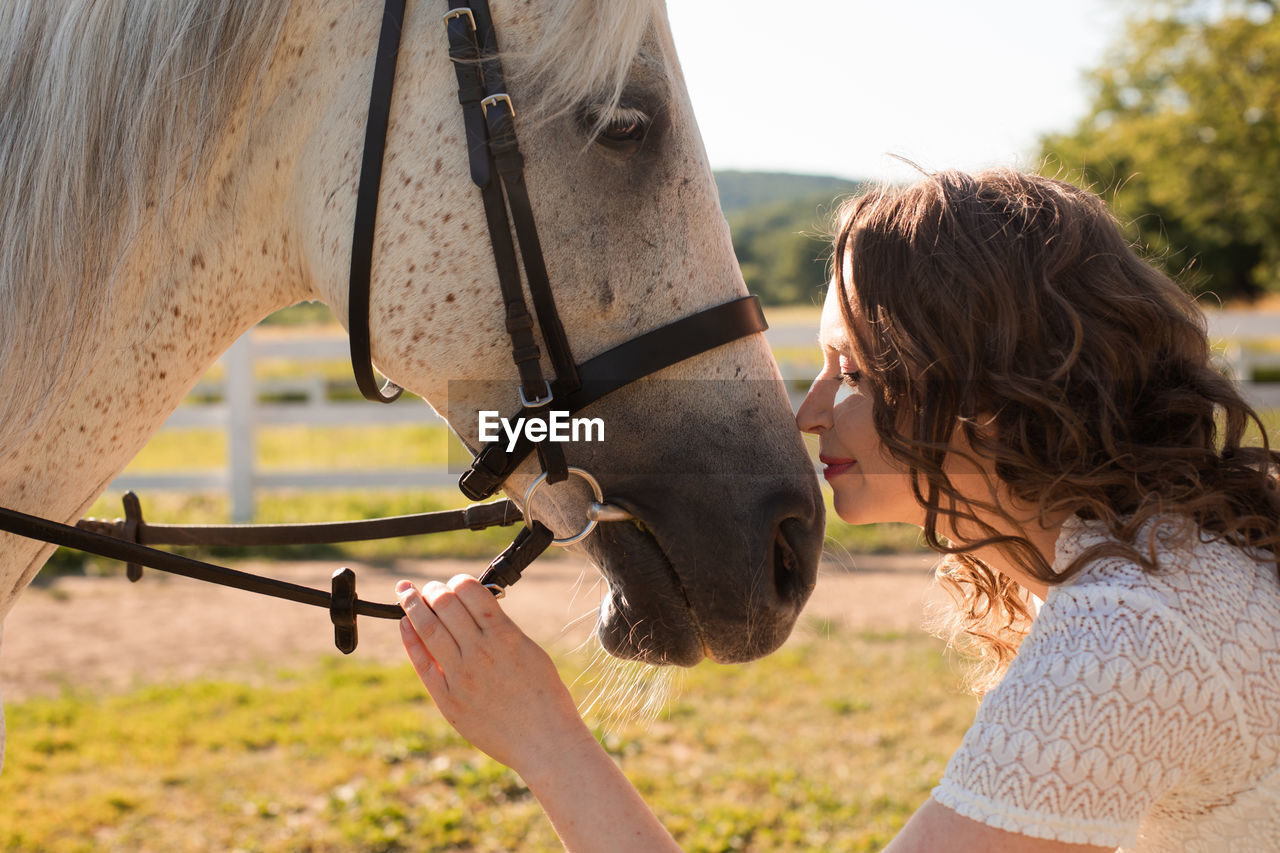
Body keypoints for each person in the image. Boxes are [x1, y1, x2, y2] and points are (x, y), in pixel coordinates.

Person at [395, 168, 1280, 852]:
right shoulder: (1169, 557)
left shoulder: (1127, 636)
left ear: (990, 391)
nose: (809, 413)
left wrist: (546, 740)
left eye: (852, 370)